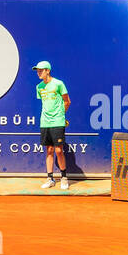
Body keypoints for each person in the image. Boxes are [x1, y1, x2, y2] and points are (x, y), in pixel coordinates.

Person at [33, 61, 70, 190]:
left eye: (41, 70)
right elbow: (45, 104)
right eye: (37, 70)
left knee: (59, 150)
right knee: (49, 150)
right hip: (45, 122)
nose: (38, 72)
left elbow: (67, 101)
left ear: (47, 71)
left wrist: (61, 115)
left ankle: (64, 178)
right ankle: (50, 178)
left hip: (58, 122)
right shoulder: (39, 87)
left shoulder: (59, 84)